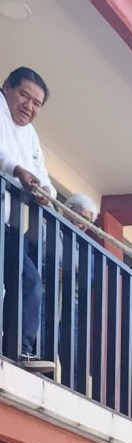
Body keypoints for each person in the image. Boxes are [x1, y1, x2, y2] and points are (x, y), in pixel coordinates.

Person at [0, 66, 55, 370]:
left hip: (8, 223)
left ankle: (19, 350)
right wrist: (15, 169)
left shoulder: (31, 136)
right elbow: (7, 159)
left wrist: (46, 192)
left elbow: (43, 176)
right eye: (24, 95)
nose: (28, 106)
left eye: (36, 103)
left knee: (29, 280)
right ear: (6, 86)